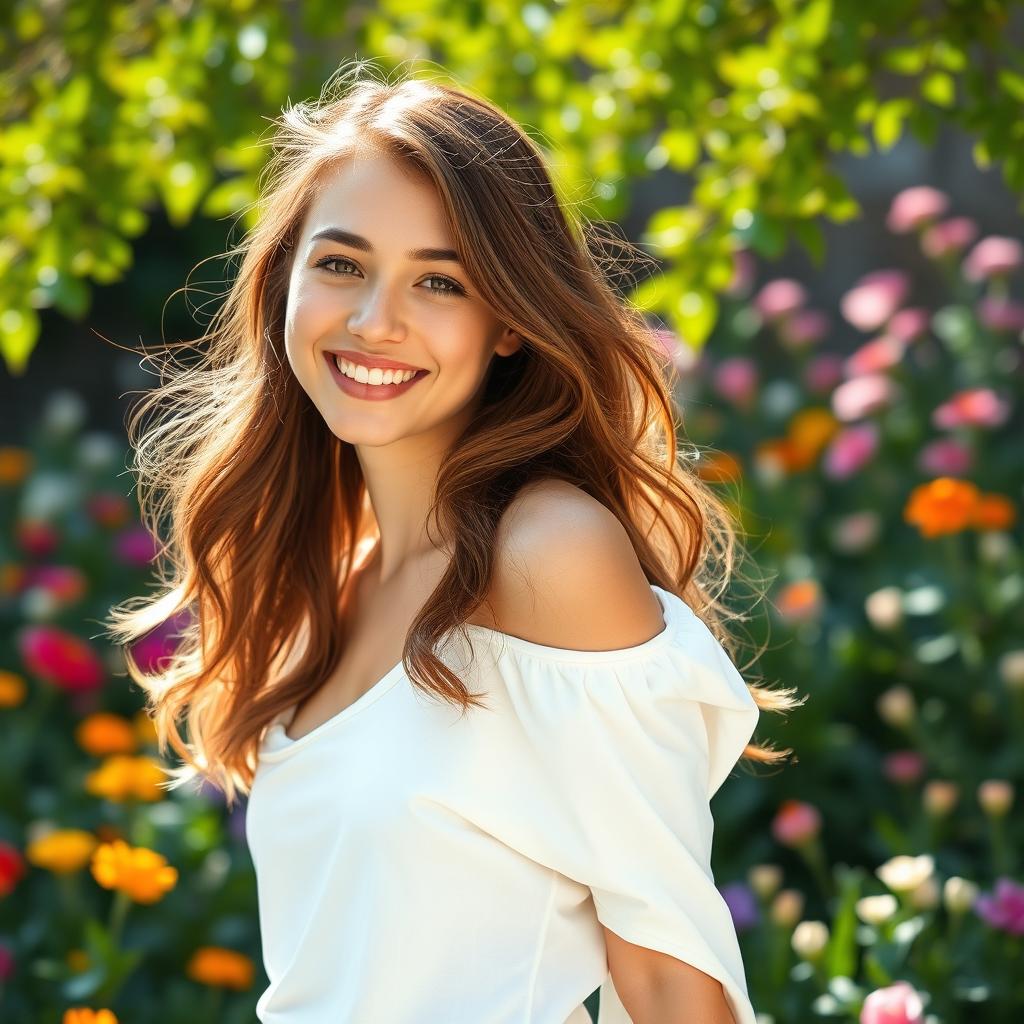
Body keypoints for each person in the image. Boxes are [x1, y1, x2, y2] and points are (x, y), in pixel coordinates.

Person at [105, 61, 802, 1024]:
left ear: (510, 321)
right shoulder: (332, 580)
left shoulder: (549, 554)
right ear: (284, 283)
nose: (373, 321)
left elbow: (670, 978)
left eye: (440, 281)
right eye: (342, 264)